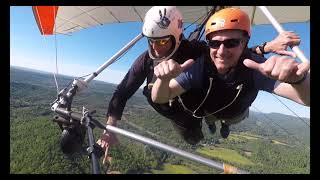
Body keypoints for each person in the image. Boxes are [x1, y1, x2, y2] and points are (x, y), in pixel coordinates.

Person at [97, 6, 305, 164]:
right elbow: (123, 91)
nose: (156, 48)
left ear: (177, 38)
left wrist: (266, 48)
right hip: (184, 112)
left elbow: (230, 53)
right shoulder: (146, 60)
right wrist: (110, 128)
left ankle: (220, 123)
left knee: (227, 117)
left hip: (209, 101)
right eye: (151, 41)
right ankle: (211, 122)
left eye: (162, 42)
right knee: (193, 138)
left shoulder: (198, 52)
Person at [151, 8, 309, 140]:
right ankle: (213, 124)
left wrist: (298, 80)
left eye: (231, 43)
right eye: (214, 43)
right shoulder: (200, 66)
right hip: (210, 112)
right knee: (211, 119)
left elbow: (306, 100)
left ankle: (225, 125)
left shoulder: (255, 68)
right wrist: (162, 81)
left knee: (229, 120)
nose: (221, 51)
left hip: (235, 114)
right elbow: (160, 98)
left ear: (244, 43)